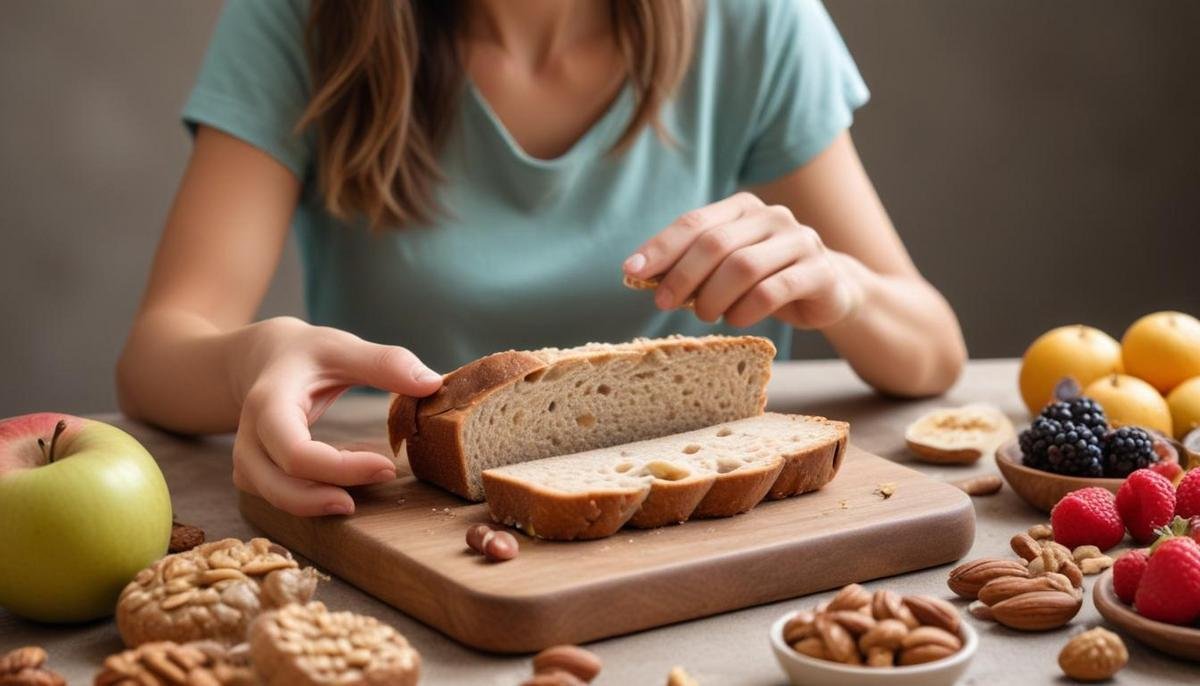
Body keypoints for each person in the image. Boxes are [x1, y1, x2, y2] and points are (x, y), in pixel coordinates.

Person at [117, 0, 966, 517]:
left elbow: (932, 348)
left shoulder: (755, 18)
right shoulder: (302, 17)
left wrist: (843, 287)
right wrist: (252, 360)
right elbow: (157, 354)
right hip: (388, 513)